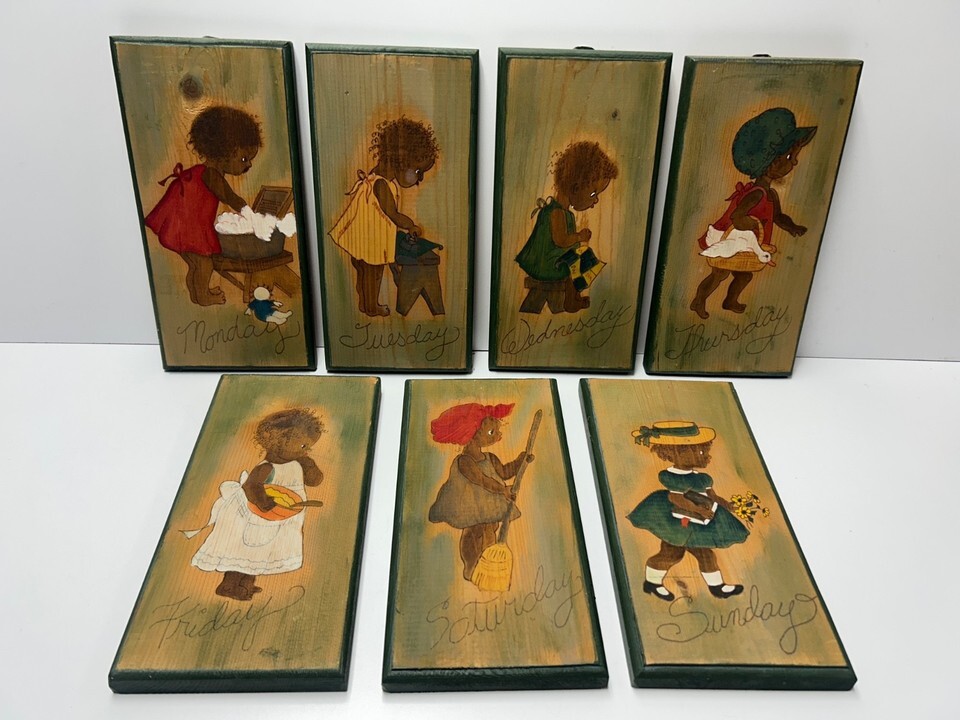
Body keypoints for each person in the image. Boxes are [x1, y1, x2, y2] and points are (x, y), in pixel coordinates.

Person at [690, 108, 817, 319]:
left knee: (744, 276)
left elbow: (778, 217)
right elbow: (737, 217)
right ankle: (698, 300)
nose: (794, 161)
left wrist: (792, 227)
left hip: (747, 243)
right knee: (719, 273)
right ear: (771, 164)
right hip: (730, 239)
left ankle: (729, 301)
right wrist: (751, 227)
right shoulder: (756, 194)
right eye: (789, 156)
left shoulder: (770, 194)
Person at [186, 408, 324, 601]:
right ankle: (228, 586)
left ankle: (246, 585)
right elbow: (251, 487)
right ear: (281, 442)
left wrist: (309, 465)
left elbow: (315, 481)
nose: (306, 450)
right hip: (257, 515)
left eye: (308, 446)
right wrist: (265, 503)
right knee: (245, 551)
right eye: (302, 445)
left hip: (278, 519)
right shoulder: (267, 467)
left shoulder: (298, 462)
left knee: (259, 554)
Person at [145, 105, 263, 306]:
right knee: (204, 264)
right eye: (244, 159)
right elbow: (230, 197)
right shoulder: (211, 175)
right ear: (224, 154)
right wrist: (251, 215)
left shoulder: (203, 171)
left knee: (196, 265)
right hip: (189, 230)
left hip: (183, 227)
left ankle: (197, 293)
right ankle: (203, 296)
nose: (249, 165)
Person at [328, 117, 440, 317]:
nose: (419, 178)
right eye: (418, 171)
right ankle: (371, 307)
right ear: (402, 161)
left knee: (364, 275)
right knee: (373, 275)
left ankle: (365, 303)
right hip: (369, 242)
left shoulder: (375, 177)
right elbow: (393, 214)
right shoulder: (381, 184)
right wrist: (410, 226)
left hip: (361, 239)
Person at [626, 421, 749, 602]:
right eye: (699, 452)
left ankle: (717, 587)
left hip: (698, 523)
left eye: (704, 451)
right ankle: (652, 583)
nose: (704, 456)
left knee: (705, 554)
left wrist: (728, 505)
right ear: (676, 453)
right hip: (677, 522)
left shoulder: (703, 478)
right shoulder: (670, 476)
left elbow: (713, 496)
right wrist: (698, 509)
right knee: (672, 554)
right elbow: (676, 499)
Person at [428, 403, 534, 583]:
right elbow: (481, 480)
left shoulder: (490, 458)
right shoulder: (464, 461)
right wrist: (502, 490)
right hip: (470, 506)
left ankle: (486, 566)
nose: (497, 436)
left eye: (497, 431)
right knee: (473, 534)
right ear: (472, 434)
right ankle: (471, 566)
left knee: (491, 530)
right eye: (491, 432)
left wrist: (520, 461)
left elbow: (505, 472)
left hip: (488, 505)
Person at [516, 140, 618, 314]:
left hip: (554, 261)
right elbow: (561, 240)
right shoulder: (556, 212)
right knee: (581, 259)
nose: (596, 200)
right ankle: (571, 300)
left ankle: (573, 297)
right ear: (576, 188)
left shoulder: (564, 212)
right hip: (546, 265)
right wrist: (579, 237)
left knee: (580, 258)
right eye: (593, 193)